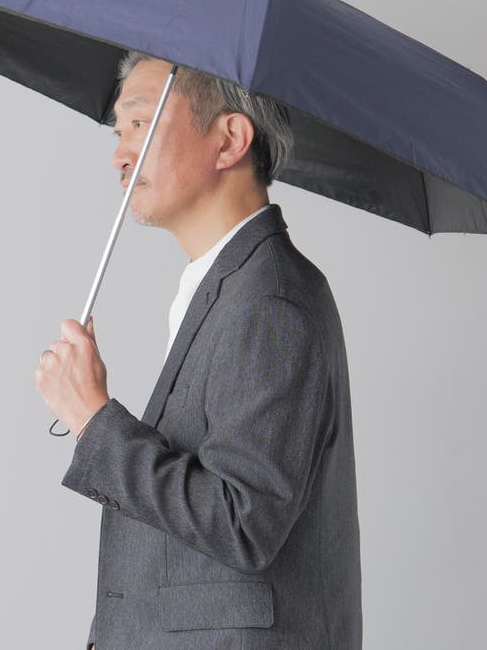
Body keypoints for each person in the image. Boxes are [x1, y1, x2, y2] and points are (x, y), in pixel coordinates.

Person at [34, 52, 362, 649]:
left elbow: (243, 521)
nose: (120, 154)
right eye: (117, 130)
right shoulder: (226, 286)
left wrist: (93, 420)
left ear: (229, 139)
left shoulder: (270, 301)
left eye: (141, 123)